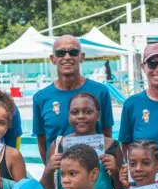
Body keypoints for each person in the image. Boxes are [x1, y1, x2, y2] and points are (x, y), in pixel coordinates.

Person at [33, 35, 114, 163]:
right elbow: (42, 143)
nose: (67, 57)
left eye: (73, 52)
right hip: (60, 176)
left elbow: (107, 136)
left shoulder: (100, 92)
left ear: (81, 57)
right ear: (53, 59)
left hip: (94, 174)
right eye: (60, 53)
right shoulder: (41, 98)